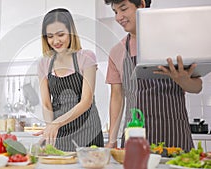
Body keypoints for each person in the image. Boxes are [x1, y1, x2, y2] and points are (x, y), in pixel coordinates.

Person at [104, 0, 202, 152]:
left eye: (123, 9)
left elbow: (197, 87)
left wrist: (184, 81)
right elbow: (117, 97)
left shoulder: (174, 42)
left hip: (175, 135)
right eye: (115, 12)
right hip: (135, 137)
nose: (118, 17)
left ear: (141, 5)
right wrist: (111, 139)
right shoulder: (117, 51)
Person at [34, 8, 104, 151]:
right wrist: (50, 128)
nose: (55, 41)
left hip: (88, 130)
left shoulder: (86, 57)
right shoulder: (44, 63)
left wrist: (56, 124)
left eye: (61, 34)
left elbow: (86, 101)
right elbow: (47, 104)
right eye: (50, 36)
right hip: (60, 132)